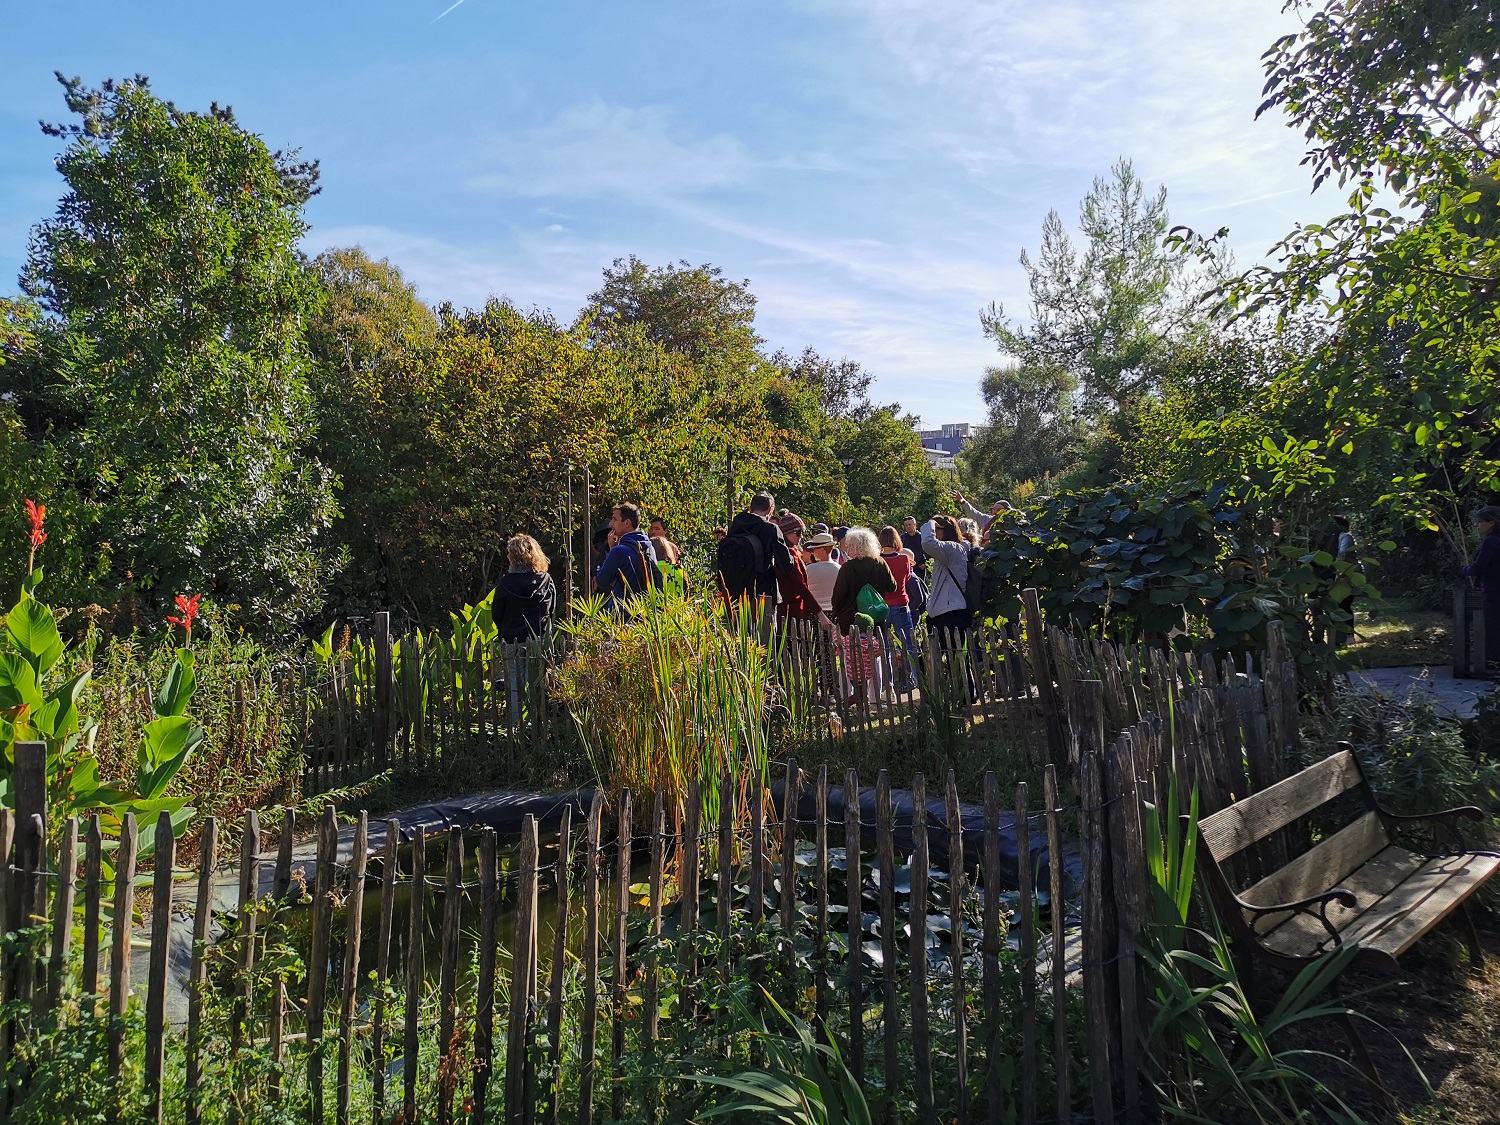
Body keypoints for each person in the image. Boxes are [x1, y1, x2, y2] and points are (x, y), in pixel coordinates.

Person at [493, 534, 557, 717]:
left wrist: (504, 629)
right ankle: (536, 724)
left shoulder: (505, 583)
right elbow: (551, 609)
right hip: (538, 639)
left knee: (513, 685)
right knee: (536, 684)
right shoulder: (545, 580)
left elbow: (497, 612)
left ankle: (516, 726)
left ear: (514, 557)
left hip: (512, 638)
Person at [830, 528, 896, 703]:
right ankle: (875, 697)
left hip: (851, 620)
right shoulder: (881, 563)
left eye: (849, 546)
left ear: (857, 547)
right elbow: (893, 587)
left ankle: (853, 694)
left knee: (851, 659)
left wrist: (837, 612)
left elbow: (838, 596)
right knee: (874, 657)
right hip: (875, 618)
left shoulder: (848, 567)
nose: (847, 549)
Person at [922, 514, 977, 699]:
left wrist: (929, 523)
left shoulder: (953, 548)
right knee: (953, 660)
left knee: (957, 660)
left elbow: (927, 543)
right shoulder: (953, 550)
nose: (934, 533)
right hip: (945, 612)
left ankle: (966, 698)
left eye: (938, 529)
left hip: (952, 613)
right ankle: (962, 697)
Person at [716, 491, 793, 605]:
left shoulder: (736, 525)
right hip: (761, 596)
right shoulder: (771, 529)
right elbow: (786, 566)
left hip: (734, 596)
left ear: (750, 508)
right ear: (770, 510)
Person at [594, 502, 659, 610]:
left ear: (627, 523)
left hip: (623, 612)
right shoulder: (649, 547)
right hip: (646, 611)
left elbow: (602, 581)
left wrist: (612, 551)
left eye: (615, 519)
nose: (611, 524)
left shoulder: (619, 551)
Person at [879, 525, 919, 690]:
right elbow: (908, 577)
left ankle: (887, 684)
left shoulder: (877, 560)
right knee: (909, 646)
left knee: (885, 648)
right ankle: (915, 681)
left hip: (883, 607)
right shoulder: (903, 559)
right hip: (901, 605)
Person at [1462, 505, 1500, 672]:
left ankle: (1492, 665)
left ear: (1491, 523)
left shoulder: (1491, 541)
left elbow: (1478, 568)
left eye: (1480, 522)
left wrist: (1465, 570)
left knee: (1492, 629)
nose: (1477, 526)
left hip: (1494, 590)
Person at [774, 512, 820, 621]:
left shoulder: (793, 550)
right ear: (786, 533)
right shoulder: (789, 553)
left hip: (787, 609)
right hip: (791, 610)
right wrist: (819, 613)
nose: (801, 536)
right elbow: (800, 585)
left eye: (802, 532)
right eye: (798, 533)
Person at [803, 531, 841, 614]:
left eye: (814, 549)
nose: (812, 552)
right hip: (833, 612)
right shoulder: (839, 569)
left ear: (822, 550)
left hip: (814, 611)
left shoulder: (809, 569)